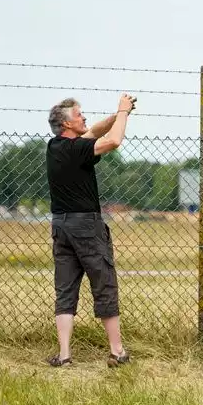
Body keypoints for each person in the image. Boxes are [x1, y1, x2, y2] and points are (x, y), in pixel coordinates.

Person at [45, 94, 136, 368]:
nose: (84, 117)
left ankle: (64, 354)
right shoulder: (77, 149)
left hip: (61, 225)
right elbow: (113, 140)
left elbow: (96, 130)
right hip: (86, 225)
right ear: (66, 124)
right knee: (104, 282)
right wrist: (121, 113)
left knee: (65, 288)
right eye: (79, 115)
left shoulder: (56, 147)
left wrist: (122, 114)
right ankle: (117, 351)